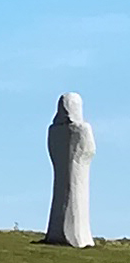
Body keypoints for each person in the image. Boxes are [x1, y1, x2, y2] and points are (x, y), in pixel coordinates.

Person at [44, 92, 96, 248]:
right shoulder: (82, 129)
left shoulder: (53, 130)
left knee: (61, 199)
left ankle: (58, 233)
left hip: (63, 172)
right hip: (78, 172)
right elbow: (90, 149)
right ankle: (78, 238)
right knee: (76, 202)